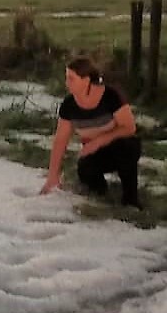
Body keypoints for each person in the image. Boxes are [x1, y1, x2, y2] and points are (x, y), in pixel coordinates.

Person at [40, 56, 142, 208]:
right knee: (85, 168)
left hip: (121, 145)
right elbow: (60, 140)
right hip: (95, 153)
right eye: (66, 78)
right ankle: (101, 193)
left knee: (126, 148)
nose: (67, 83)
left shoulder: (110, 96)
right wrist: (52, 176)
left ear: (86, 80)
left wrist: (99, 141)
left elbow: (129, 127)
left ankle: (131, 200)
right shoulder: (69, 105)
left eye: (71, 79)